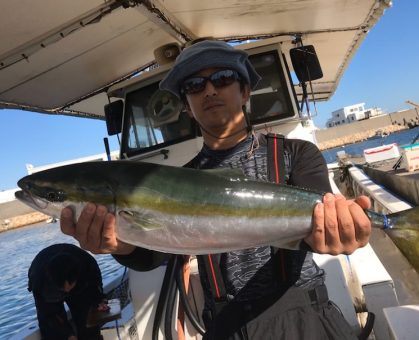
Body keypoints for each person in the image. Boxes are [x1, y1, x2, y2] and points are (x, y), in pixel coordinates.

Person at [60, 40, 372, 339]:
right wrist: (119, 244)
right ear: (187, 106)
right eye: (194, 86)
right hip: (224, 325)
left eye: (222, 78)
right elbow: (153, 251)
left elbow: (318, 226)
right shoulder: (180, 181)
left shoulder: (297, 154)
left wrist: (338, 231)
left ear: (245, 91)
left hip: (304, 317)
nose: (209, 89)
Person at [28, 243, 109, 340]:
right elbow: (49, 315)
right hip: (43, 277)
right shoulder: (40, 282)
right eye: (63, 289)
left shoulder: (87, 265)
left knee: (88, 319)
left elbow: (95, 287)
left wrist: (99, 300)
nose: (66, 291)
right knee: (52, 329)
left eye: (69, 287)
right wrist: (68, 336)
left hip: (81, 284)